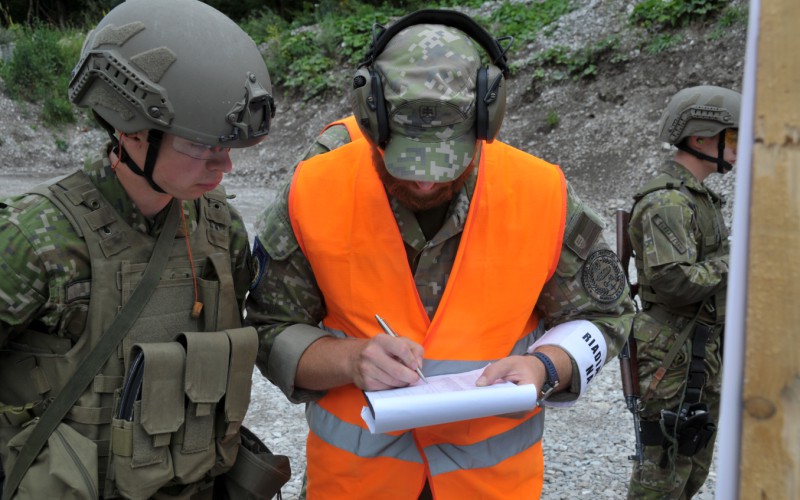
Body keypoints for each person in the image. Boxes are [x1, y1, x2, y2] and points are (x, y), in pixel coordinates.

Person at [247, 10, 633, 499]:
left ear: (484, 121)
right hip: (355, 487)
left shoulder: (543, 195)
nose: (425, 180)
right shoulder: (312, 191)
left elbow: (608, 316)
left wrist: (546, 368)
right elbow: (266, 328)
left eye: (446, 158)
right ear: (371, 118)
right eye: (406, 157)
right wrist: (349, 359)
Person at [0, 0, 277, 498]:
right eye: (201, 148)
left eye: (228, 149)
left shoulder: (220, 229)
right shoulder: (36, 239)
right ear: (130, 130)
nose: (224, 169)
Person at [625, 85, 740, 499]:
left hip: (696, 345)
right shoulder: (668, 202)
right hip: (670, 350)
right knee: (662, 471)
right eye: (733, 135)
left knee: (691, 464)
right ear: (701, 137)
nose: (739, 146)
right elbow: (674, 282)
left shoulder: (699, 198)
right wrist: (737, 261)